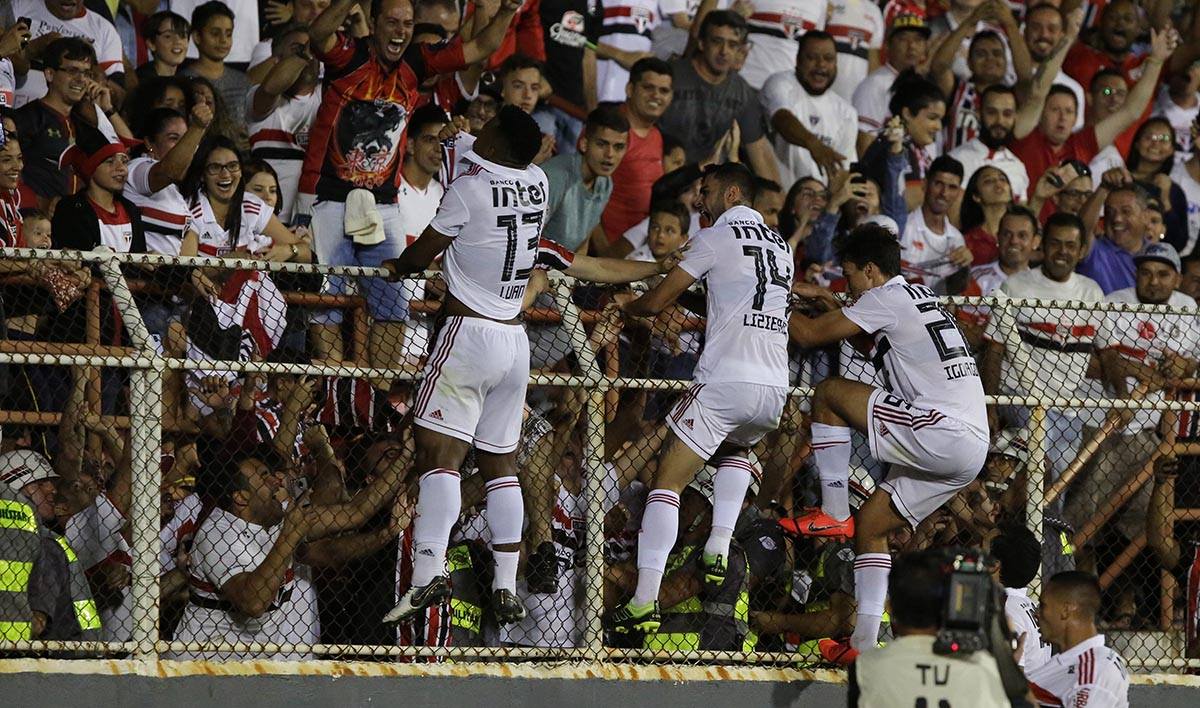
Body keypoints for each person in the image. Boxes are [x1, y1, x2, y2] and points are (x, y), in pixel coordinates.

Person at [379, 106, 680, 626]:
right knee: (501, 465)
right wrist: (657, 266)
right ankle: (503, 581)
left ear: (493, 138)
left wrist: (393, 268)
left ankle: (427, 576)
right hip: (514, 344)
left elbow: (420, 253)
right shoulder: (538, 183)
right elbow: (581, 258)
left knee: (439, 455)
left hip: (465, 335)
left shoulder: (468, 190)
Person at [602, 162, 792, 634]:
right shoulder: (781, 246)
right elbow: (730, 298)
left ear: (730, 194)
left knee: (667, 482)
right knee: (737, 451)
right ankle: (718, 547)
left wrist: (630, 304)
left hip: (725, 380)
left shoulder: (716, 238)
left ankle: (644, 600)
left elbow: (659, 298)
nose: (698, 201)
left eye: (704, 192)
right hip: (774, 388)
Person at [786, 223, 989, 652]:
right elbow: (874, 344)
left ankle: (834, 509)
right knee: (874, 525)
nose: (849, 287)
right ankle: (862, 645)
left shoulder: (885, 298)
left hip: (940, 429)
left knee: (829, 393)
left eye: (851, 277)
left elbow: (807, 335)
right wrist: (831, 303)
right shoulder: (918, 295)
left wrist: (763, 296)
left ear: (872, 271)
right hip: (970, 445)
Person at [302, 0, 523, 366]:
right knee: (329, 304)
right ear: (373, 23)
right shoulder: (347, 56)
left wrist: (506, 12)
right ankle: (334, 394)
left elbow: (480, 48)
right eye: (391, 22)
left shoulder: (417, 62)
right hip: (333, 201)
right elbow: (317, 34)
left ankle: (379, 396)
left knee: (392, 305)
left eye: (407, 23)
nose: (401, 31)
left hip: (386, 205)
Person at [1067, 243, 1198, 540]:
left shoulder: (1187, 306)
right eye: (1146, 273)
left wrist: (1185, 367)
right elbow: (1085, 361)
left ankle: (1131, 586)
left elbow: (1190, 363)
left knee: (1144, 525)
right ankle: (1061, 566)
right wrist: (1136, 372)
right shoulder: (1114, 303)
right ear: (1135, 274)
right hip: (1102, 424)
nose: (1154, 281)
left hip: (1148, 434)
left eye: (1163, 274)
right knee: (1080, 517)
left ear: (1177, 278)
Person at [980, 213, 1102, 479]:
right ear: (1042, 245)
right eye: (1056, 243)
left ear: (1081, 251)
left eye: (1070, 245)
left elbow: (1108, 351)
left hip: (1069, 408)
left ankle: (1048, 522)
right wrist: (990, 406)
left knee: (1057, 487)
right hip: (1021, 398)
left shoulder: (1092, 292)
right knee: (1038, 475)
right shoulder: (1015, 286)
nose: (1062, 252)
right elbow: (994, 350)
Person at [848, 549, 1010, 707]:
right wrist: (1007, 659)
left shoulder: (865, 667)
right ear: (947, 607)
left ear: (889, 607)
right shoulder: (983, 667)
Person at [656, 11, 779, 183]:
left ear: (740, 50)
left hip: (710, 188)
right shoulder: (671, 77)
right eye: (717, 41)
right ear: (701, 42)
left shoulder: (743, 93)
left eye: (732, 45)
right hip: (662, 179)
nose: (724, 51)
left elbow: (759, 152)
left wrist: (775, 203)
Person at [247, 25, 322, 224]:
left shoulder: (327, 98)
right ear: (277, 61)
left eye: (312, 50)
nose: (308, 57)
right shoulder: (257, 96)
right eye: (298, 50)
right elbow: (271, 87)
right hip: (264, 222)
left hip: (312, 224)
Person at [762, 30, 858, 185]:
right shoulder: (779, 84)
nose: (821, 65)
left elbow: (842, 170)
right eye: (812, 58)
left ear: (836, 64)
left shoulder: (847, 113)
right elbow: (782, 118)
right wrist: (814, 145)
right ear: (798, 60)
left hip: (819, 205)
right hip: (777, 199)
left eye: (828, 58)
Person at [599, 57, 672, 252]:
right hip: (609, 253)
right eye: (648, 87)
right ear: (630, 89)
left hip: (641, 252)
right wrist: (604, 256)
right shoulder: (608, 129)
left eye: (664, 90)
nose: (656, 95)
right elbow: (583, 195)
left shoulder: (657, 135)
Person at [1027, 571, 1130, 707]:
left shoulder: (1094, 673)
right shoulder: (1070, 662)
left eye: (1043, 605)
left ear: (1066, 610)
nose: (1036, 614)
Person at [541, 105, 629, 253]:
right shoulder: (556, 177)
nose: (610, 154)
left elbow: (583, 241)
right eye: (602, 144)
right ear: (584, 144)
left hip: (565, 269)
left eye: (619, 147)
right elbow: (526, 238)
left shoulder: (606, 183)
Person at [11, 0, 125, 108]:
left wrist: (95, 73)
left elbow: (118, 95)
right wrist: (34, 48)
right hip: (14, 103)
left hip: (72, 117)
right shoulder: (18, 6)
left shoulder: (104, 29)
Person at [852, 13, 930, 152]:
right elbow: (864, 140)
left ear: (925, 48)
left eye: (918, 40)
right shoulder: (875, 84)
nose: (911, 46)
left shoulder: (923, 85)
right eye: (903, 39)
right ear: (887, 45)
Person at [899, 156, 971, 291]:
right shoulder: (903, 228)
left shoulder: (957, 239)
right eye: (938, 184)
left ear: (958, 193)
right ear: (925, 184)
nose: (944, 193)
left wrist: (964, 269)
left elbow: (954, 291)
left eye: (952, 187)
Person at [948, 85, 1031, 202]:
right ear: (978, 114)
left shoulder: (1018, 167)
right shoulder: (957, 160)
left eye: (1007, 114)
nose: (1000, 121)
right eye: (992, 113)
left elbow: (1021, 217)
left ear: (1015, 117)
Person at [990, 523, 1052, 672]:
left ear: (994, 565)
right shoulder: (1025, 603)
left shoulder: (1006, 609)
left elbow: (1016, 675)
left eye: (981, 546)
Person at [179, 2, 251, 130]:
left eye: (228, 34)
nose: (223, 40)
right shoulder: (184, 80)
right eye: (215, 33)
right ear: (197, 37)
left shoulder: (242, 80)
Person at [1077, 182, 1150, 294]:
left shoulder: (1157, 253)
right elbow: (1080, 229)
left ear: (1145, 217)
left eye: (1126, 211)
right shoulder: (1095, 252)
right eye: (1109, 212)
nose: (1117, 219)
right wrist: (1104, 187)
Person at [739, 0, 827, 90]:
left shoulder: (820, 2)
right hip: (748, 82)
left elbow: (815, 46)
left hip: (789, 90)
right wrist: (734, 14)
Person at [137, 11, 191, 81]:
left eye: (183, 35)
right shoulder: (142, 81)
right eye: (168, 36)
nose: (178, 41)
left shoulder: (191, 74)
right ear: (151, 44)